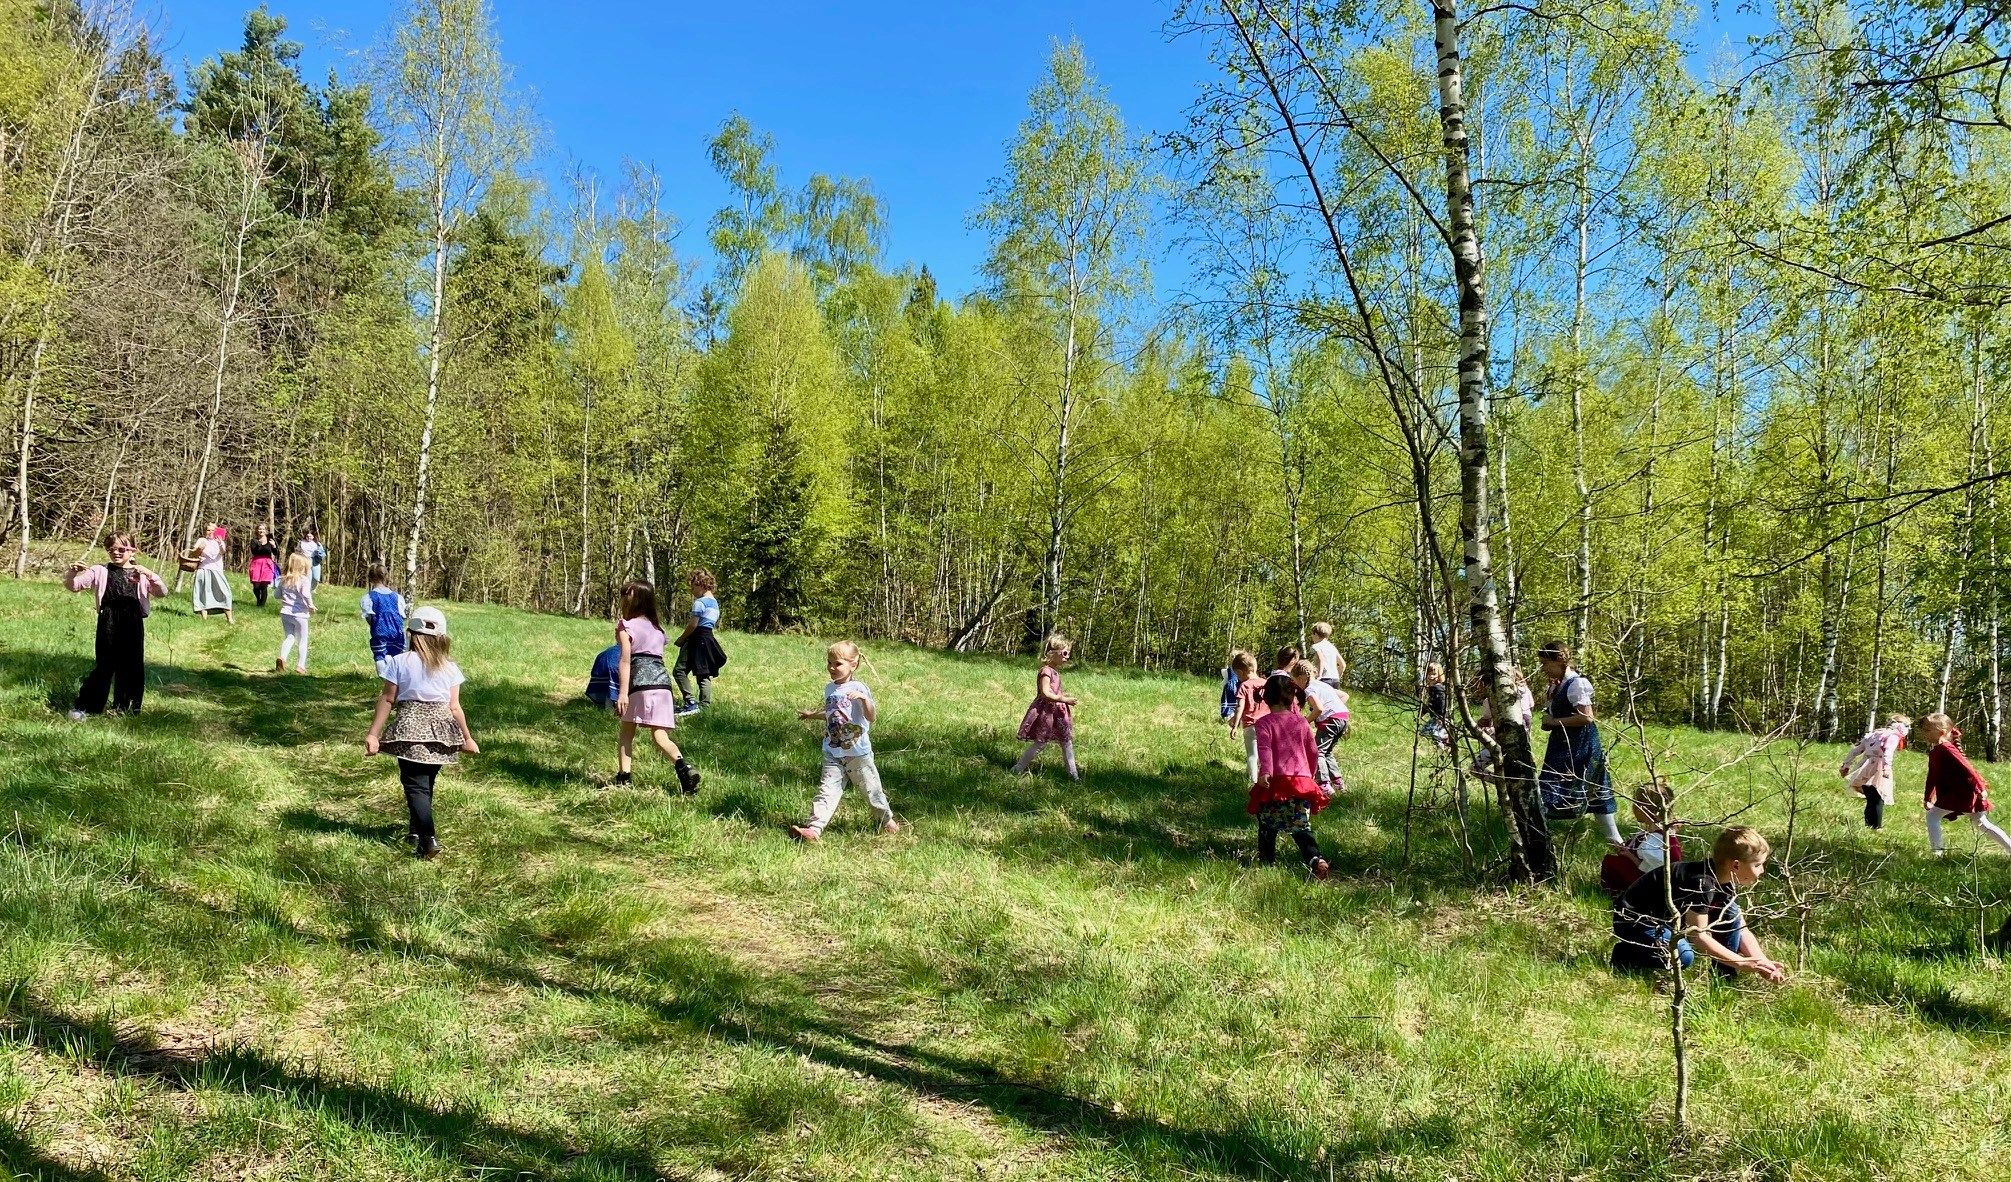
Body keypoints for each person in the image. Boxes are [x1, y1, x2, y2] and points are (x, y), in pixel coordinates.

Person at [364, 607, 477, 860]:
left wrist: (373, 734)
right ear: (442, 637)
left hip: (410, 729)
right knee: (425, 784)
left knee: (415, 786)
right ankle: (415, 831)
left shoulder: (399, 662)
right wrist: (467, 738)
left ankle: (428, 839)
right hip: (442, 732)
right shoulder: (449, 668)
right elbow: (455, 707)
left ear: (411, 634)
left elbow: (387, 699)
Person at [1611, 826, 1786, 982]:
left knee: (1730, 912)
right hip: (1635, 922)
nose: (1762, 870)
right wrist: (1740, 962)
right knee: (1683, 956)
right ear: (1735, 865)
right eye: (1758, 865)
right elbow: (1698, 936)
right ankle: (1625, 955)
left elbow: (1740, 928)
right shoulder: (1701, 884)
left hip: (1667, 922)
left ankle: (1723, 976)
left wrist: (1762, 963)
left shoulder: (1726, 880)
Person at [790, 641, 899, 841]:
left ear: (853, 665)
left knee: (871, 790)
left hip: (857, 754)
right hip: (833, 752)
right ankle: (814, 829)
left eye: (838, 664)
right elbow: (833, 714)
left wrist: (864, 699)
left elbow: (871, 717)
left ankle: (887, 821)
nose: (832, 668)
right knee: (826, 790)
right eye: (829, 663)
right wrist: (812, 715)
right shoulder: (829, 688)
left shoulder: (859, 687)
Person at [613, 580, 702, 794]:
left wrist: (622, 693)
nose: (623, 598)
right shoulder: (658, 630)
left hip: (639, 686)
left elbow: (625, 661)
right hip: (663, 687)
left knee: (627, 732)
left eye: (626, 594)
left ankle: (624, 778)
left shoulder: (626, 626)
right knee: (660, 736)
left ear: (634, 600)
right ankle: (684, 768)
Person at [64, 534, 167, 719]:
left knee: (132, 665)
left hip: (133, 622)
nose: (116, 553)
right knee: (104, 664)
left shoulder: (140, 573)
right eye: (111, 549)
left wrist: (150, 575)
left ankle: (125, 709)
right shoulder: (100, 570)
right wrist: (72, 573)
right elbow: (74, 586)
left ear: (132, 551)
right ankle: (88, 706)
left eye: (121, 549)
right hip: (108, 620)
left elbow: (162, 592)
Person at [1536, 640, 1625, 847]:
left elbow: (1586, 717)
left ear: (1559, 660)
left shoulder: (1577, 683)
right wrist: (1550, 721)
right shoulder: (1557, 685)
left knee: (1593, 789)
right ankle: (1539, 839)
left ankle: (1616, 842)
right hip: (1562, 745)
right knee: (1551, 788)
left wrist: (1554, 722)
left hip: (1581, 745)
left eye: (1545, 663)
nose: (1543, 668)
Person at [1249, 673, 1332, 879]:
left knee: (1267, 823)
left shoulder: (1264, 723)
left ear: (1266, 697)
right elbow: (1313, 751)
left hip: (1276, 783)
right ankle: (1315, 859)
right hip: (1300, 783)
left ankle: (1267, 862)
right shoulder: (1302, 722)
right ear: (1291, 697)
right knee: (1301, 827)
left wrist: (1265, 772)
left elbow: (1265, 749)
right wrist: (1309, 774)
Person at [1918, 712, 2011, 857]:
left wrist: (1980, 788)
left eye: (1927, 730)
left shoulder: (1947, 749)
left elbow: (1968, 768)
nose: (1924, 733)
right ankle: (1937, 853)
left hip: (1964, 793)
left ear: (1941, 732)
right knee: (1980, 822)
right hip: (1956, 794)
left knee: (1934, 817)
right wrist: (1928, 797)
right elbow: (1932, 776)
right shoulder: (1936, 750)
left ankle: (1937, 853)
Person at [1012, 633, 1079, 779]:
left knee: (1066, 742)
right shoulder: (1046, 671)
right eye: (1064, 653)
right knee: (1040, 743)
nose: (1067, 657)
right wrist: (1063, 699)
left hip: (1058, 713)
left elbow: (1052, 692)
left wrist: (1062, 697)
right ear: (1051, 653)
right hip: (1047, 712)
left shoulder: (1055, 672)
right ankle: (1017, 769)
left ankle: (1073, 775)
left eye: (1068, 653)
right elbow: (1045, 693)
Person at [1600, 776, 1682, 895]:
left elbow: (1652, 870)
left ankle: (1620, 893)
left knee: (1611, 862)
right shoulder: (1657, 831)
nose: (1634, 808)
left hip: (1650, 885)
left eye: (1636, 804)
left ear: (1647, 809)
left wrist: (1630, 856)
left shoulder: (1657, 839)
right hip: (1648, 878)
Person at [672, 568, 727, 717]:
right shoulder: (715, 604)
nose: (692, 591)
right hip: (708, 638)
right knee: (704, 673)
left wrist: (681, 639)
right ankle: (704, 706)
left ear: (701, 584)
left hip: (695, 638)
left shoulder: (700, 603)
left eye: (693, 587)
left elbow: (693, 625)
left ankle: (690, 702)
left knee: (679, 670)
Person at [1840, 714, 1911, 831]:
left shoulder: (1873, 734)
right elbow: (1887, 752)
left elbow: (1856, 750)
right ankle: (1876, 827)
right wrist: (1886, 767)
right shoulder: (1893, 736)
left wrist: (1846, 765)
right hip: (1879, 768)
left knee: (1870, 797)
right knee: (1878, 798)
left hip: (1865, 767)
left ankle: (1869, 824)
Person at [1290, 658, 1349, 796]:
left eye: (1295, 681)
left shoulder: (1309, 689)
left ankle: (1324, 784)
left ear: (1301, 678)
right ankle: (1338, 782)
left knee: (1318, 751)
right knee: (1327, 752)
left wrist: (1305, 721)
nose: (1295, 685)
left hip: (1330, 721)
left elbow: (1319, 709)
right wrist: (1334, 708)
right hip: (1343, 717)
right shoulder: (1323, 685)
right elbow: (1344, 696)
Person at [1467, 668, 1535, 779]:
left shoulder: (1490, 700)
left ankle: (1502, 782)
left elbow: (1486, 721)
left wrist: (1478, 724)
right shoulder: (1526, 692)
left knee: (1475, 768)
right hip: (1523, 742)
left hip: (1500, 742)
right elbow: (1531, 707)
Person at [359, 565, 409, 677]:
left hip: (379, 631)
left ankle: (383, 676)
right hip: (396, 631)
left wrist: (375, 625)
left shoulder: (369, 597)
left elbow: (369, 617)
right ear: (386, 576)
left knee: (379, 655)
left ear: (370, 578)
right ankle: (394, 676)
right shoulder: (397, 597)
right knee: (395, 653)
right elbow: (401, 616)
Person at [1226, 650, 1266, 787]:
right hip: (1267, 726)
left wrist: (1235, 725)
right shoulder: (1266, 683)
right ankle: (1265, 779)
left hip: (1251, 726)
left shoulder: (1244, 686)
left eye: (1237, 675)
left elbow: (1240, 706)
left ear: (1240, 672)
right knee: (1264, 754)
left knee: (1252, 755)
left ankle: (1253, 782)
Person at [274, 553, 315, 674]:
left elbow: (276, 595)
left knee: (290, 637)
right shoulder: (304, 580)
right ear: (303, 567)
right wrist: (310, 605)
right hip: (300, 614)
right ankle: (300, 666)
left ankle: (282, 658)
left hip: (285, 614)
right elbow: (306, 595)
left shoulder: (283, 579)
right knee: (303, 640)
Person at [188, 523, 233, 623]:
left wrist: (220, 543)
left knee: (225, 593)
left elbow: (222, 552)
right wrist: (200, 549)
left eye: (213, 530)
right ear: (205, 531)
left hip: (217, 570)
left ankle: (230, 619)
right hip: (203, 570)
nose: (210, 532)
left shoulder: (220, 541)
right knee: (203, 594)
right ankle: (204, 620)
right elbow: (193, 553)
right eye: (208, 530)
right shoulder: (201, 540)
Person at [1419, 662, 1452, 751]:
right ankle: (1445, 746)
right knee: (1429, 733)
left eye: (1434, 674)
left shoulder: (1438, 688)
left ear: (1439, 675)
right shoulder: (1432, 688)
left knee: (1431, 733)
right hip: (1437, 717)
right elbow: (1430, 704)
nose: (1431, 676)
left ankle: (1445, 746)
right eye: (1429, 674)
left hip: (1440, 717)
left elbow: (1442, 703)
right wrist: (1422, 713)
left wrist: (1441, 717)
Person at [246, 524, 279, 608]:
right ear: (257, 530)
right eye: (260, 529)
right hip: (256, 563)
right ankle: (258, 600)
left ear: (266, 530)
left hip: (267, 564)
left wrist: (274, 546)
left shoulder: (271, 540)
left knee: (264, 585)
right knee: (256, 586)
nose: (261, 531)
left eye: (263, 529)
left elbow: (276, 553)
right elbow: (254, 552)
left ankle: (262, 605)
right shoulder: (254, 541)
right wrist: (260, 544)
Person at [585, 644, 621, 711]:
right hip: (615, 665)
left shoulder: (611, 650)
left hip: (603, 664)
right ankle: (612, 707)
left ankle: (610, 705)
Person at [1310, 623, 1344, 690]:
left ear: (1316, 635)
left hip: (1323, 679)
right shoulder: (1332, 647)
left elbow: (1321, 659)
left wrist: (1319, 675)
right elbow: (1342, 665)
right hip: (1335, 680)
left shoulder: (1316, 646)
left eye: (1312, 634)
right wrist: (1337, 678)